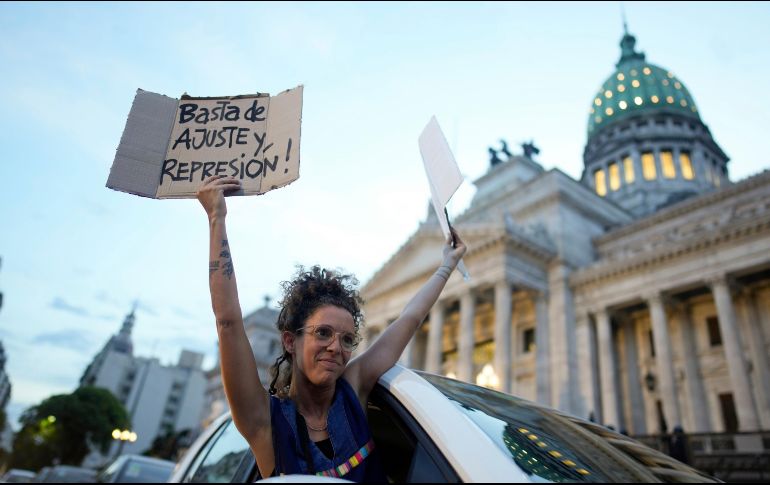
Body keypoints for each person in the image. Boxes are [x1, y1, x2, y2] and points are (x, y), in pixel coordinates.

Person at [197, 175, 467, 481]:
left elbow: (409, 319)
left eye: (348, 339)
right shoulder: (265, 422)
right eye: (322, 333)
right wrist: (216, 217)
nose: (336, 347)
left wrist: (447, 265)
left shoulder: (354, 390)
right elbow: (228, 322)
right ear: (290, 341)